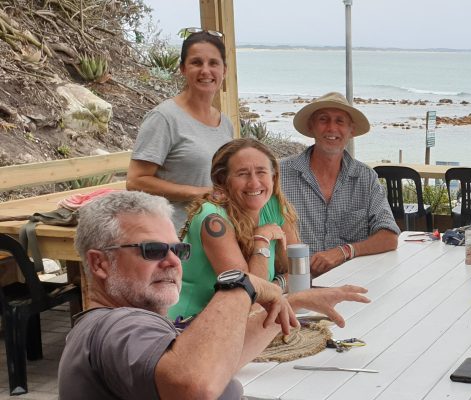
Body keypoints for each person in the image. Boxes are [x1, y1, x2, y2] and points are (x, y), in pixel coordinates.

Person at [59, 191, 369, 399]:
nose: (173, 261)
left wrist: (292, 303)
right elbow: (193, 385)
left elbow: (218, 360)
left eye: (178, 249)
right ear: (100, 263)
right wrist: (241, 284)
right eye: (152, 250)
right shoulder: (119, 326)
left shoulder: (107, 328)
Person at [169, 138, 368, 322]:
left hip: (245, 320)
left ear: (274, 176)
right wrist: (262, 239)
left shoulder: (273, 205)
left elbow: (299, 272)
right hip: (192, 322)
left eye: (261, 172)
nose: (254, 183)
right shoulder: (213, 219)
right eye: (242, 174)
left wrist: (273, 287)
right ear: (223, 180)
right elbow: (248, 298)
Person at [280, 92, 399, 275]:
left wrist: (345, 251)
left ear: (351, 131)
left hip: (352, 280)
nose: (331, 128)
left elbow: (389, 237)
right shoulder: (279, 175)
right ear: (311, 126)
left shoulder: (366, 178)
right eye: (323, 119)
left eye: (340, 121)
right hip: (296, 282)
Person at [127, 28, 233, 231]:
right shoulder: (164, 118)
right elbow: (135, 181)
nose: (205, 71)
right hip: (175, 235)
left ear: (224, 70)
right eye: (196, 63)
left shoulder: (225, 123)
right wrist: (198, 193)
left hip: (218, 232)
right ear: (183, 69)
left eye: (213, 63)